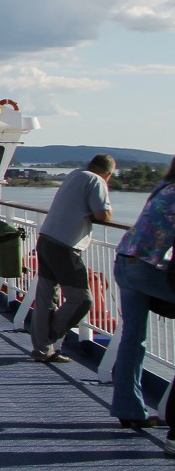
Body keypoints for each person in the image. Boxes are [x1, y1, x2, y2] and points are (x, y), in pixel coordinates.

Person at [110, 158, 175, 429]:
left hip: (126, 261)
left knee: (133, 339)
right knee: (133, 338)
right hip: (148, 268)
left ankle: (129, 410)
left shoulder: (164, 187)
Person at [30, 154, 114, 363]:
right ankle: (49, 336)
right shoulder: (96, 181)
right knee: (82, 299)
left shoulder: (75, 174)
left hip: (47, 239)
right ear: (109, 173)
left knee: (46, 297)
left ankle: (42, 348)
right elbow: (103, 214)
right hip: (65, 246)